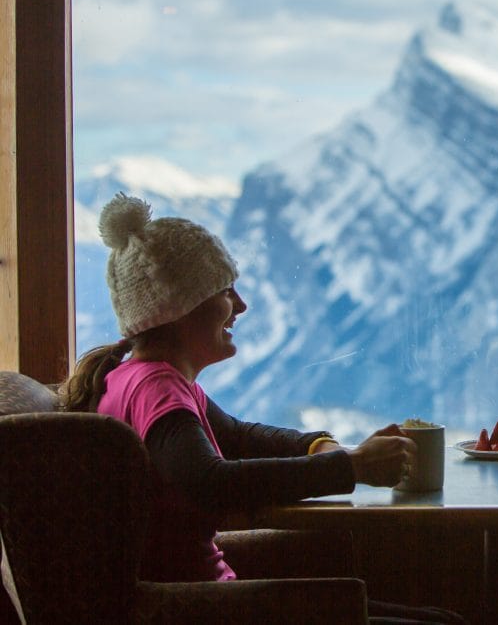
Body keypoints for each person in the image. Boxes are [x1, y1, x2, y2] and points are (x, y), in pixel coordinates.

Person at [62, 193, 467, 625]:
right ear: (180, 308)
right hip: (212, 610)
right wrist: (351, 469)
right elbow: (210, 483)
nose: (240, 306)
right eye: (224, 290)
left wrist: (319, 446)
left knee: (441, 618)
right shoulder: (158, 388)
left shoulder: (139, 378)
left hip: (213, 600)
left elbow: (241, 435)